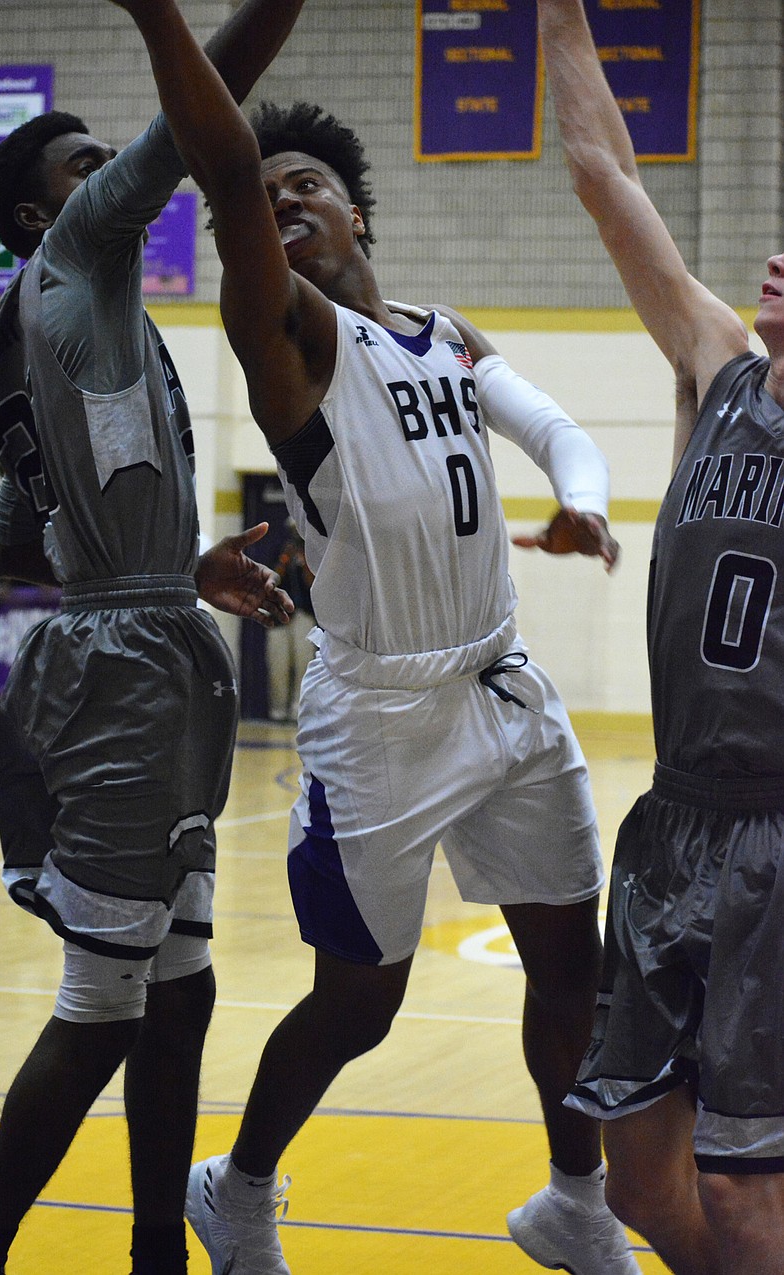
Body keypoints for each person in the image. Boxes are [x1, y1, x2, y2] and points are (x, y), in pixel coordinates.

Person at [109, 5, 644, 1274]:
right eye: (270, 188)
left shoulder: (444, 333)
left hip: (504, 692)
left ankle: (575, 1201)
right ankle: (236, 1188)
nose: (286, 196)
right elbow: (228, 171)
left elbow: (557, 424)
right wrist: (166, 25)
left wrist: (580, 501)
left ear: (364, 221)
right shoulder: (290, 341)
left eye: (315, 186)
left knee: (578, 968)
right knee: (361, 1004)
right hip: (381, 721)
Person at [0, 3, 306, 1273]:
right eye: (81, 163)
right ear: (43, 212)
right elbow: (208, 107)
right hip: (123, 669)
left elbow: (39, 536)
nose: (109, 173)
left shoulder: (46, 326)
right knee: (104, 1000)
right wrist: (168, 19)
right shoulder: (79, 255)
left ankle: (156, 1246)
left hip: (147, 630)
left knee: (184, 981)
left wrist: (167, 562)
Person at [534, 3, 784, 1273]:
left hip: (776, 837)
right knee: (640, 1183)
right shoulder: (716, 363)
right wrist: (562, 17)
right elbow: (603, 175)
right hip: (674, 818)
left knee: (747, 1199)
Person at [267, 519, 315, 721]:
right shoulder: (281, 550)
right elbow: (272, 578)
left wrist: (304, 562)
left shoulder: (313, 553)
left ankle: (298, 709)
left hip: (303, 613)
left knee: (303, 663)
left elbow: (313, 583)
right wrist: (285, 560)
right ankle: (278, 710)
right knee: (278, 663)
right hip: (280, 616)